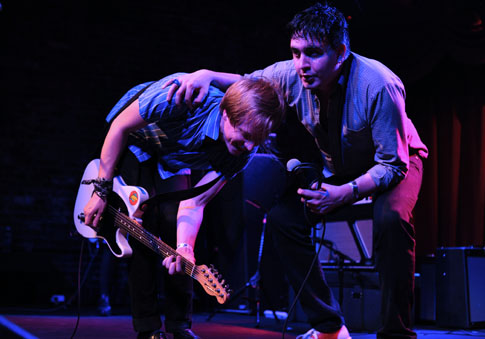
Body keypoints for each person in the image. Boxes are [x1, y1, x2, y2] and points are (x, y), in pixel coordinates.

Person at [164, 3, 428, 339]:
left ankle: (396, 333)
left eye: (314, 53)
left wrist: (343, 193)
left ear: (341, 52)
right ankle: (330, 328)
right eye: (296, 52)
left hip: (395, 162)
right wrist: (206, 75)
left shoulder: (379, 85)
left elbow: (393, 164)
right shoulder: (290, 74)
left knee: (393, 219)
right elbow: (250, 83)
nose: (302, 64)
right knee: (283, 220)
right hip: (337, 166)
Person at [82, 74, 285, 339]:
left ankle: (180, 326)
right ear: (225, 114)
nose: (248, 147)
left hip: (173, 158)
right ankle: (148, 329)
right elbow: (120, 126)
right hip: (136, 140)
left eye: (256, 140)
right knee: (139, 229)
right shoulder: (181, 97)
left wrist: (184, 247)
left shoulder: (243, 153)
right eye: (244, 135)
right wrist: (101, 189)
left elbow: (195, 202)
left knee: (177, 240)